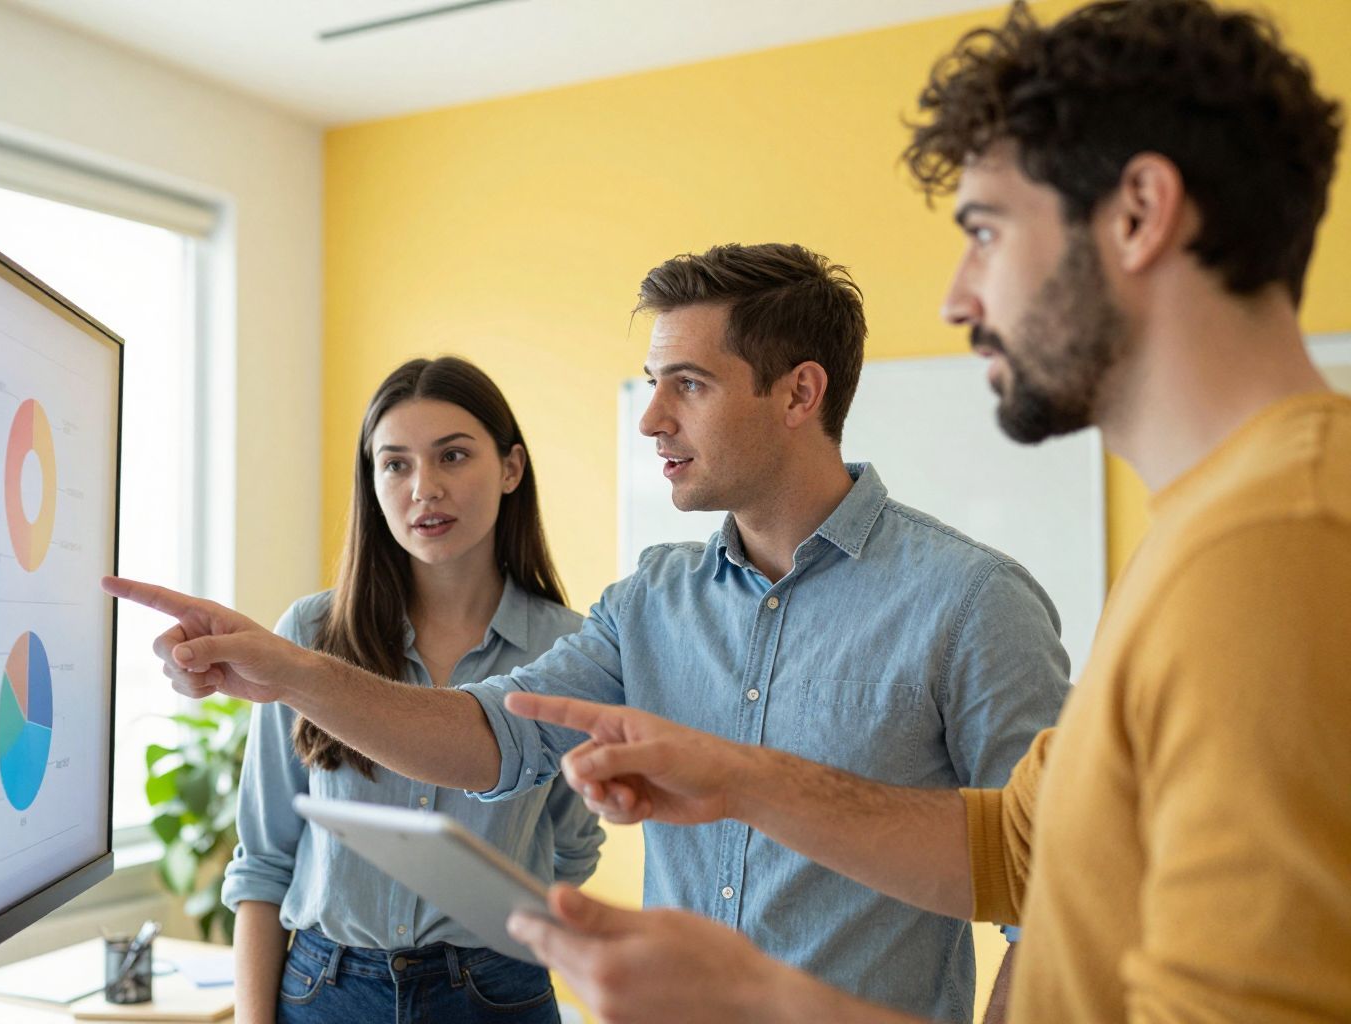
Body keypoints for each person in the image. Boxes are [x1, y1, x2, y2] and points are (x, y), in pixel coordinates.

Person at [499, 1, 1351, 1021]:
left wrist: (764, 1001)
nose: (957, 298)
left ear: (1138, 212)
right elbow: (1016, 845)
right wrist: (740, 777)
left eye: (986, 231)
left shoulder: (1277, 546)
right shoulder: (1216, 526)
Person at [105, 243, 1071, 1022]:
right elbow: (490, 740)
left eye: (686, 384)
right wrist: (290, 672)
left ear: (797, 394)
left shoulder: (973, 603)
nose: (650, 417)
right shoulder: (650, 602)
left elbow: (1054, 896)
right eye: (651, 382)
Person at [221, 356, 604, 1024]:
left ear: (511, 468)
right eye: (395, 464)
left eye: (452, 456)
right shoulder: (308, 634)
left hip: (496, 994)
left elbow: (572, 847)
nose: (424, 488)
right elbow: (262, 862)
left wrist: (510, 944)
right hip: (324, 990)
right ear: (372, 482)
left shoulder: (571, 649)